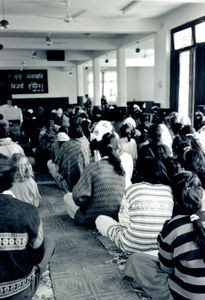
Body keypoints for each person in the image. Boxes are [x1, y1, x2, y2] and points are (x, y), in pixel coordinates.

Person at [123, 171, 205, 300]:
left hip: (183, 295)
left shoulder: (173, 226)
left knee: (136, 260)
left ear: (174, 198)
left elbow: (166, 269)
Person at [0, 156, 55, 299]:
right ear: (10, 178)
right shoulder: (28, 211)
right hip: (19, 292)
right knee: (48, 242)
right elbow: (37, 255)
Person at [96, 157, 173, 255]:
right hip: (161, 247)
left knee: (100, 219)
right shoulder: (170, 191)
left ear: (140, 172)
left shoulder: (132, 189)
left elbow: (123, 221)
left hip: (131, 246)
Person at [64, 132, 126, 228]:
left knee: (67, 196)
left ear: (100, 152)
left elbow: (78, 197)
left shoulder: (93, 167)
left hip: (91, 218)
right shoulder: (120, 169)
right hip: (114, 217)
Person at [58, 116, 91, 192]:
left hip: (71, 177)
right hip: (86, 174)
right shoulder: (85, 141)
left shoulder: (66, 145)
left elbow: (59, 162)